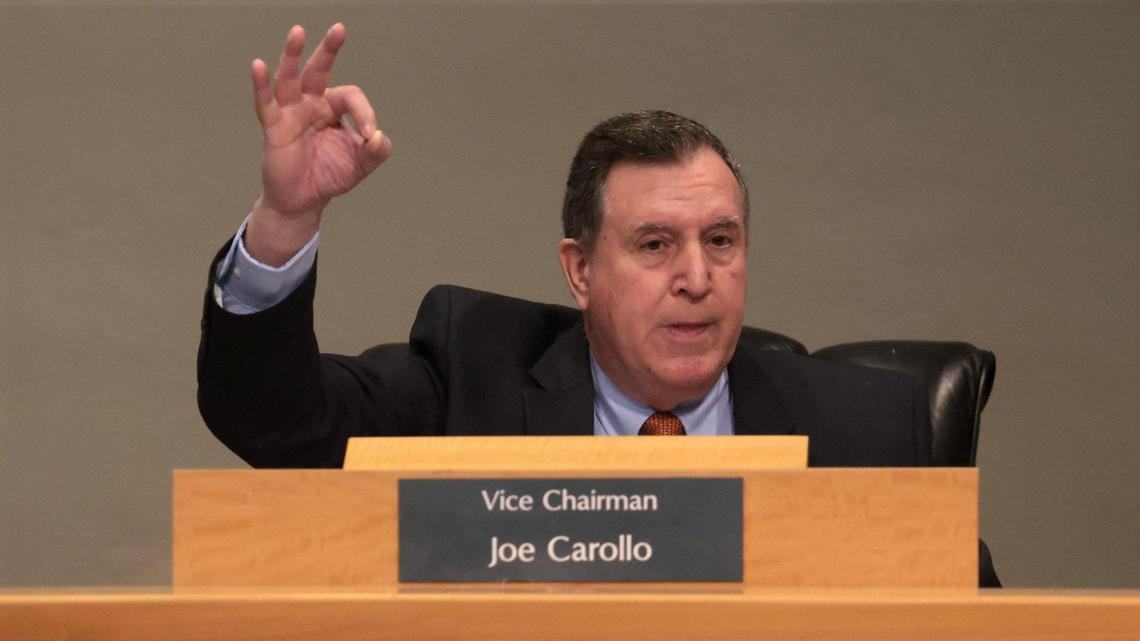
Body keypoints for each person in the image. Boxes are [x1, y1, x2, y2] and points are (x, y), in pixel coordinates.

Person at [196, 24, 999, 585]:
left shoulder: (871, 428)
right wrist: (287, 221)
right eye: (655, 244)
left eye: (720, 241)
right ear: (579, 272)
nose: (696, 276)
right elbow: (275, 421)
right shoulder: (470, 375)